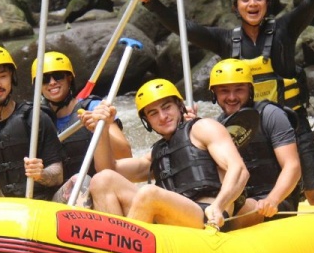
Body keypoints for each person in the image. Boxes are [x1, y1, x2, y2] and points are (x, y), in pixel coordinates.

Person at [130, 0, 314, 205]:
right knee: (250, 193)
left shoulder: (284, 29)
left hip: (291, 123)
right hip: (245, 127)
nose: (253, 4)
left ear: (267, 3)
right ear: (236, 7)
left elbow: (313, 1)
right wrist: (151, 1)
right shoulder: (225, 40)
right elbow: (186, 29)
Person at [87, 79, 249, 229]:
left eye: (166, 107)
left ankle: (124, 249)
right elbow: (107, 169)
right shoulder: (157, 153)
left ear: (179, 106)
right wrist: (102, 131)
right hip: (171, 216)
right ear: (147, 121)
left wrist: (219, 206)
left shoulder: (203, 127)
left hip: (206, 213)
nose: (163, 117)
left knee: (149, 193)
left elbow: (239, 170)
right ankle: (112, 247)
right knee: (102, 180)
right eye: (153, 113)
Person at [0, 45, 65, 200]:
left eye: (2, 76)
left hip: (42, 206)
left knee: (80, 182)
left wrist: (41, 174)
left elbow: (58, 174)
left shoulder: (36, 118)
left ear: (12, 77)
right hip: (4, 210)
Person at [209, 58, 301, 223]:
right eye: (224, 91)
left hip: (277, 202)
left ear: (250, 90)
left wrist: (273, 199)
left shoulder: (270, 115)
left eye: (239, 90)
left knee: (235, 207)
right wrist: (190, 127)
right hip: (242, 201)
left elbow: (292, 166)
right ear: (214, 93)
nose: (232, 97)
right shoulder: (216, 127)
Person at [31, 51, 131, 181]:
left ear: (69, 78)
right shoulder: (35, 120)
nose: (52, 82)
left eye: (58, 76)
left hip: (96, 185)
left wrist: (102, 128)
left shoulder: (94, 107)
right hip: (59, 193)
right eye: (44, 79)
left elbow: (125, 155)